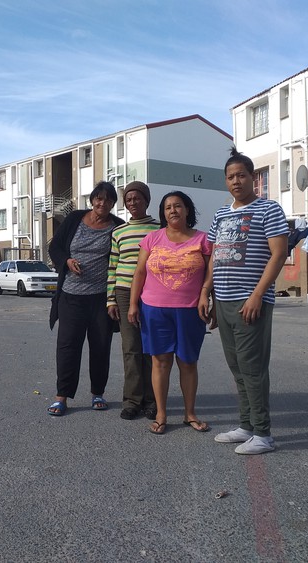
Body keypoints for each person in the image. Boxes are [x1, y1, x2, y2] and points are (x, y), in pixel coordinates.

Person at [201, 147, 288, 455]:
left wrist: (257, 295)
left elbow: (279, 254)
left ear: (253, 178)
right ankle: (246, 426)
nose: (235, 181)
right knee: (237, 366)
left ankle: (263, 434)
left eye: (241, 175)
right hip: (223, 300)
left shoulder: (269, 209)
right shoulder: (222, 213)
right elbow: (213, 255)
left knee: (253, 367)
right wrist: (206, 292)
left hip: (250, 301)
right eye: (230, 177)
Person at [128, 191, 213, 435]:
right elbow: (140, 273)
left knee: (188, 362)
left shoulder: (203, 240)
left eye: (178, 206)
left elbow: (210, 273)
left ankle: (190, 414)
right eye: (167, 207)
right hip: (154, 310)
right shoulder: (152, 239)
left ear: (188, 210)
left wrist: (207, 297)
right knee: (160, 362)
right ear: (162, 213)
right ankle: (162, 414)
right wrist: (134, 304)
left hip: (189, 310)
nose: (173, 210)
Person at [47, 181, 124, 416]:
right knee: (68, 346)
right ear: (92, 200)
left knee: (101, 346)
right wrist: (67, 262)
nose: (103, 203)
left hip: (101, 298)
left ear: (112, 204)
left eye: (108, 199)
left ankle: (97, 393)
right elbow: (56, 248)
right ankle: (62, 397)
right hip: (71, 297)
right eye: (99, 198)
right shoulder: (74, 220)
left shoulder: (117, 227)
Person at [107, 181, 161, 421]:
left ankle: (152, 401)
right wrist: (110, 299)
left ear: (147, 200)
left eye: (137, 198)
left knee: (151, 348)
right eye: (128, 200)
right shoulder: (118, 232)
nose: (132, 203)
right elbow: (112, 267)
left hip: (153, 294)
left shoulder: (160, 230)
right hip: (124, 292)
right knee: (131, 349)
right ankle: (131, 401)